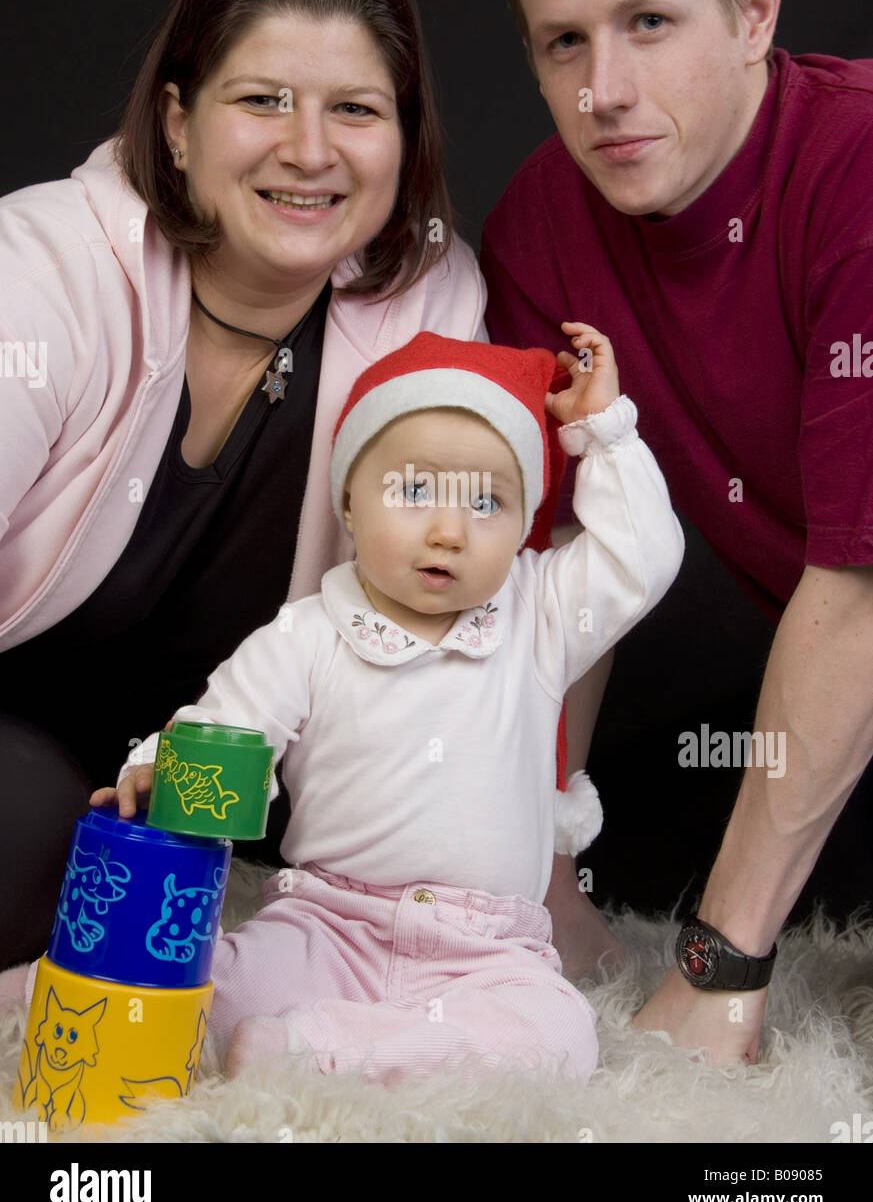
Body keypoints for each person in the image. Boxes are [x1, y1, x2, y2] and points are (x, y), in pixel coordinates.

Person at [0, 0, 488, 971]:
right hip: (21, 747)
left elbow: (456, 615)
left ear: (402, 138)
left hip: (221, 780)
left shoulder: (430, 304)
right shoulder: (43, 268)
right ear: (177, 123)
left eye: (355, 110)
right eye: (262, 99)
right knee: (32, 826)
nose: (309, 151)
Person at [482, 0, 873, 1065]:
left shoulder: (857, 168)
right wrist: (538, 867)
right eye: (564, 42)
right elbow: (560, 555)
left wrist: (721, 963)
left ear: (757, 7)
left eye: (650, 22)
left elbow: (861, 590)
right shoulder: (542, 224)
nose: (604, 88)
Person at [76, 329, 684, 1083]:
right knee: (199, 988)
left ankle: (321, 1051)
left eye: (488, 503)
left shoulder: (542, 615)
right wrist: (157, 772)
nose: (448, 530)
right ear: (350, 503)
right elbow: (228, 727)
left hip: (485, 949)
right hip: (327, 925)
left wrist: (605, 435)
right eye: (414, 490)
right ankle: (56, 997)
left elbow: (644, 556)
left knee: (559, 1037)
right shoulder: (307, 634)